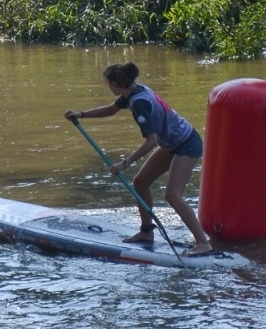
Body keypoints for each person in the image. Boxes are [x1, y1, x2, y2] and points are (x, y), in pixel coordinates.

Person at [65, 61, 215, 257]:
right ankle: (146, 233)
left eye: (107, 84)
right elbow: (111, 110)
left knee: (172, 195)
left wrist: (125, 163)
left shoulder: (139, 103)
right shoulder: (134, 90)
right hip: (172, 142)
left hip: (186, 143)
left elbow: (151, 141)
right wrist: (81, 114)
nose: (107, 87)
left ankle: (203, 243)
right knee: (141, 182)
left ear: (115, 84)